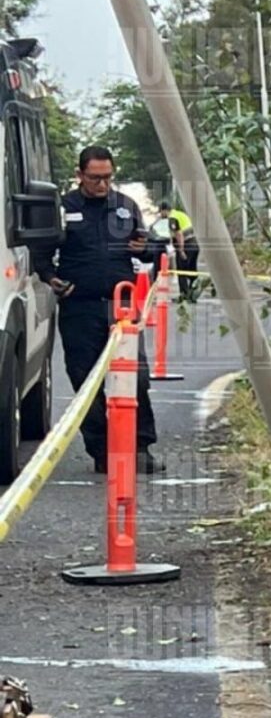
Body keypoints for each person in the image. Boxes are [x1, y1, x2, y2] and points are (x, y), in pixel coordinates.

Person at [35, 146, 166, 474]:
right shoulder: (63, 209)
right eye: (95, 178)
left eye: (108, 177)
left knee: (134, 378)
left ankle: (140, 447)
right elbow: (41, 254)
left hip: (120, 308)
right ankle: (102, 449)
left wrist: (147, 247)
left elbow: (152, 250)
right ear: (80, 176)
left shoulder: (125, 207)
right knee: (85, 379)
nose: (103, 185)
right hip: (79, 307)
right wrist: (53, 280)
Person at [158, 201, 199, 300]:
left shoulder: (172, 218)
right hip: (195, 245)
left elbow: (179, 234)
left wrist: (181, 250)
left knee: (181, 271)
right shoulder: (180, 214)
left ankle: (184, 295)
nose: (160, 214)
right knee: (191, 270)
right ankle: (193, 293)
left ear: (164, 210)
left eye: (160, 212)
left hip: (185, 246)